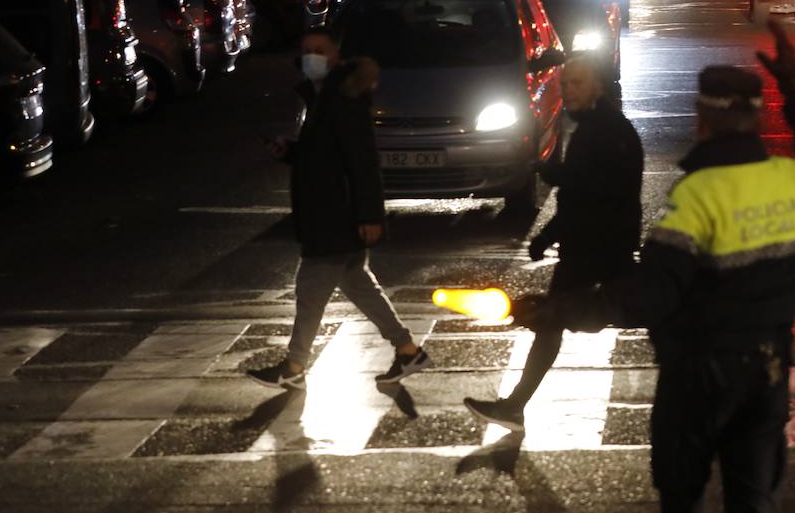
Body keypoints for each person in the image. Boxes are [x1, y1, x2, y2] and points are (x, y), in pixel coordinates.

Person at [513, 22, 795, 513]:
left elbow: (649, 294)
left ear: (703, 121)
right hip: (769, 370)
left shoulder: (699, 196)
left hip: (700, 376)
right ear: (757, 117)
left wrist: (558, 310)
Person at [464, 56, 643, 430]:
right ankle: (514, 406)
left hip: (597, 247)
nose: (568, 90)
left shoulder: (608, 131)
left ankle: (514, 406)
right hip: (591, 244)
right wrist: (549, 234)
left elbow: (597, 190)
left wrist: (556, 177)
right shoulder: (594, 127)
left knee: (566, 319)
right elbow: (582, 192)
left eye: (577, 83)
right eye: (565, 84)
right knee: (565, 320)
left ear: (597, 85)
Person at [247, 30, 429, 390]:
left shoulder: (343, 98)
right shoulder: (324, 97)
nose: (311, 56)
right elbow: (324, 156)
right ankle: (408, 350)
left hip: (336, 214)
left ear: (336, 55)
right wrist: (291, 152)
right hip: (330, 211)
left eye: (319, 50)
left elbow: (362, 160)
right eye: (305, 51)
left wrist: (370, 215)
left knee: (310, 290)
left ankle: (295, 365)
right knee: (360, 286)